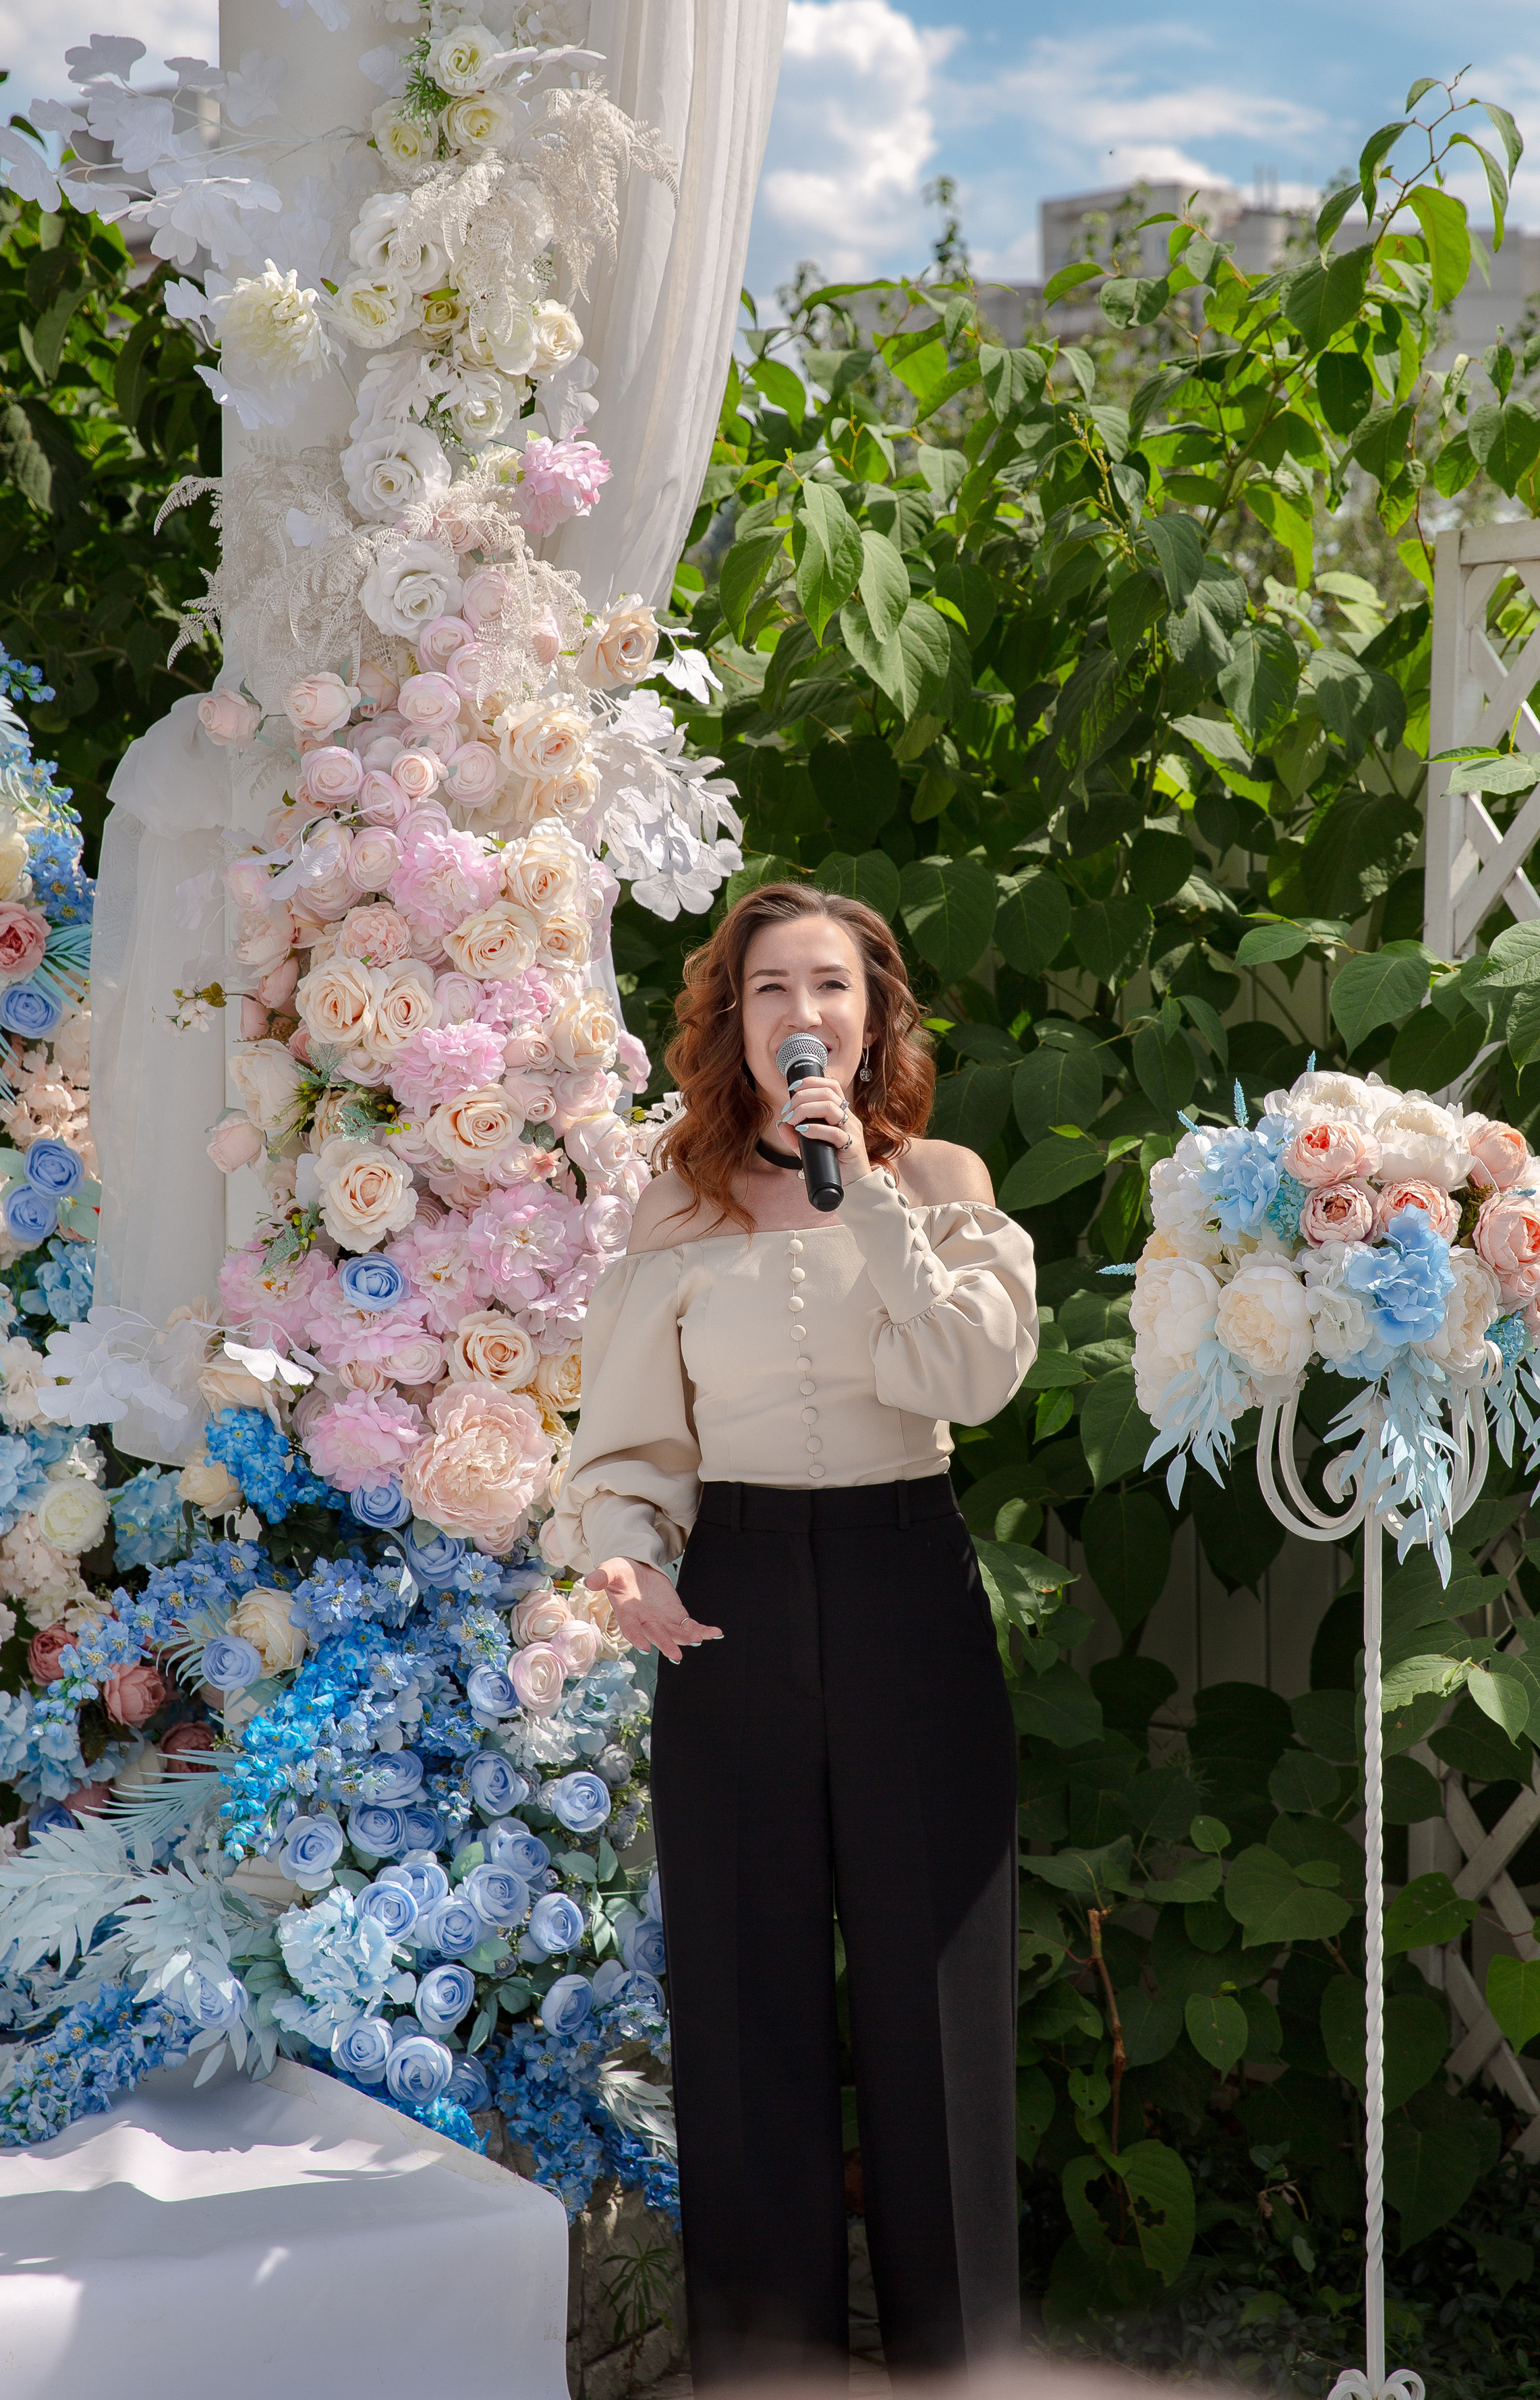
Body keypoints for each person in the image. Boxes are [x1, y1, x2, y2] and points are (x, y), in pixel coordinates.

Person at [553, 881, 1039, 2385]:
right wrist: (626, 1569)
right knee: (745, 2012)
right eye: (769, 990)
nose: (801, 1016)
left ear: (873, 1015)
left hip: (909, 1594)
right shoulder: (675, 1204)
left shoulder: (941, 1181)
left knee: (933, 2015)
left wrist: (867, 1193)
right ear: (732, 1020)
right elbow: (626, 1450)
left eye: (828, 987)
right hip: (737, 1603)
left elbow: (968, 1374)